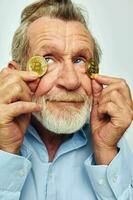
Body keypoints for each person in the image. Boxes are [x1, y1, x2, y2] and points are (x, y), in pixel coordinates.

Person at [0, 0, 133, 199]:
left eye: (79, 60)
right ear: (15, 74)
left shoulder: (113, 142)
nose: (70, 81)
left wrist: (106, 152)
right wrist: (6, 149)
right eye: (48, 59)